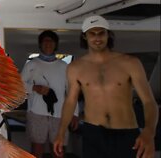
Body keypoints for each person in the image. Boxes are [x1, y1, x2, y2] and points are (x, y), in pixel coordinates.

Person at [53, 15, 159, 158]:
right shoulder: (75, 68)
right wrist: (61, 133)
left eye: (101, 32)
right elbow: (71, 101)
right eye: (92, 33)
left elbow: (148, 101)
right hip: (93, 134)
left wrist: (149, 133)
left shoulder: (130, 63)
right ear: (85, 36)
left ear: (108, 35)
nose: (97, 37)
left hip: (126, 133)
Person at [21, 30, 78, 158]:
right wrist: (34, 87)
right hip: (36, 113)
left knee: (58, 149)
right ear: (40, 44)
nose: (48, 44)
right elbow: (19, 86)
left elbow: (71, 91)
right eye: (45, 41)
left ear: (55, 44)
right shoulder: (32, 64)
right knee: (37, 149)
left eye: (51, 41)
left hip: (60, 114)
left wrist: (74, 114)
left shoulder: (64, 66)